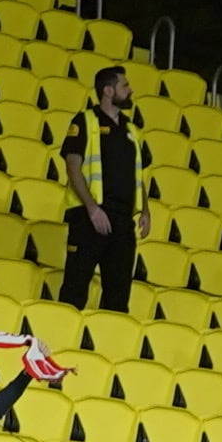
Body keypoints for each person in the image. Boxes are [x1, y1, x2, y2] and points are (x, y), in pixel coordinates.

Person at [55, 65, 142, 313]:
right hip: (89, 217)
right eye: (125, 85)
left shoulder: (131, 130)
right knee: (75, 289)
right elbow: (73, 168)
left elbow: (140, 174)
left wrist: (144, 211)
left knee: (118, 298)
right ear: (107, 90)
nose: (130, 90)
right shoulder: (84, 121)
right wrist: (93, 209)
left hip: (123, 222)